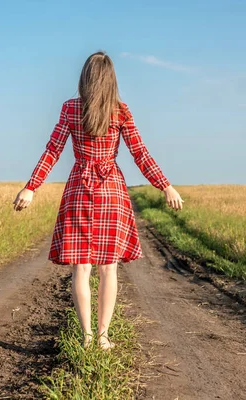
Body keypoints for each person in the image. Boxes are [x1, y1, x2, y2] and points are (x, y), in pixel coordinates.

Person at [13, 51, 183, 350]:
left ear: (85, 78)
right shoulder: (121, 111)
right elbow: (140, 154)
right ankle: (103, 337)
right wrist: (165, 185)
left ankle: (87, 336)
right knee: (108, 268)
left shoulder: (70, 109)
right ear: (111, 80)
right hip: (112, 191)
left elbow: (52, 150)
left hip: (79, 186)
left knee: (82, 267)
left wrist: (31, 187)